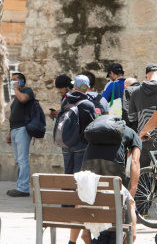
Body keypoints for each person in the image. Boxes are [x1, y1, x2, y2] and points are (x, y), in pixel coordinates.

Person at [81, 116, 141, 243]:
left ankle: (83, 233)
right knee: (127, 202)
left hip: (89, 160)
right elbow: (135, 161)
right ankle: (131, 234)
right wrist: (133, 189)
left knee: (86, 195)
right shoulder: (133, 134)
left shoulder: (98, 134)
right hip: (114, 163)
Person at [58, 75, 96, 244]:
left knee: (68, 174)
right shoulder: (87, 103)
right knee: (79, 175)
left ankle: (66, 206)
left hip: (66, 144)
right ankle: (76, 206)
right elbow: (92, 125)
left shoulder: (65, 100)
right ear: (86, 87)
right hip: (81, 143)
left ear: (74, 86)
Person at [128, 63, 157, 168]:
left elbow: (131, 117)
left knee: (142, 172)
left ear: (146, 75)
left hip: (142, 137)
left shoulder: (136, 92)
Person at [6, 72, 34, 197]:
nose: (13, 82)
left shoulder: (27, 91)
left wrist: (16, 89)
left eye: (15, 80)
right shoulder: (16, 96)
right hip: (15, 129)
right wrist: (9, 132)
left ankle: (23, 188)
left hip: (23, 129)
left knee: (22, 160)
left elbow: (24, 99)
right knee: (18, 160)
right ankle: (20, 185)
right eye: (11, 80)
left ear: (22, 81)